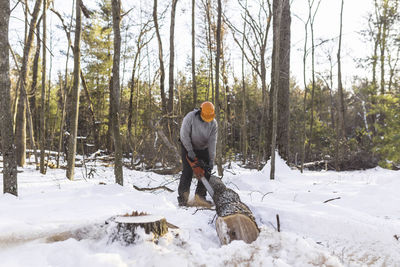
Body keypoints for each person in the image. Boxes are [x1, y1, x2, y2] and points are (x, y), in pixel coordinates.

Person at [177, 101, 218, 206]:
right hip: (188, 145)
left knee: (206, 171)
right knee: (187, 172)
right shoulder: (190, 117)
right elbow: (184, 135)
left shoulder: (213, 124)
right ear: (200, 111)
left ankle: (200, 197)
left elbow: (212, 142)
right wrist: (190, 150)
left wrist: (211, 160)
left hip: (203, 148)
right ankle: (183, 198)